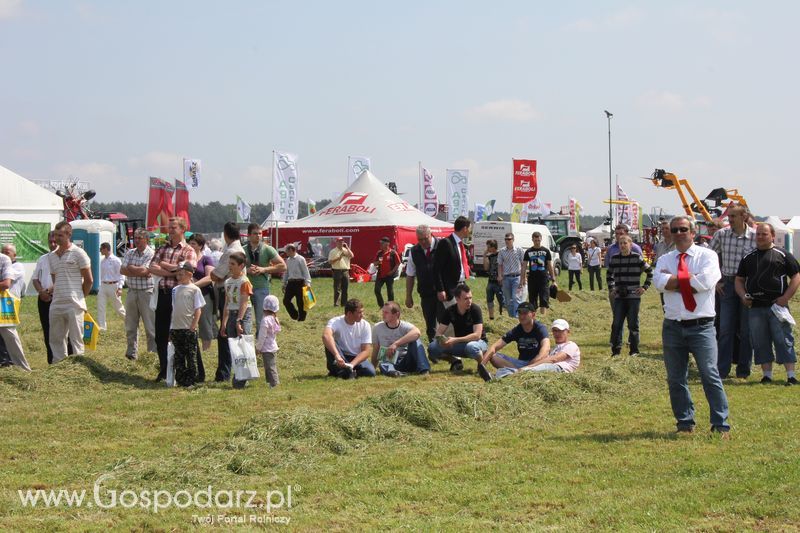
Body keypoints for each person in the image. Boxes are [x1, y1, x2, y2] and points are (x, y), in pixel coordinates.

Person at [654, 215, 730, 436]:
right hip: (673, 326)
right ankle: (684, 422)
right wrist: (688, 280)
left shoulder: (708, 255)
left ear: (693, 232)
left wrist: (673, 282)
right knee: (676, 377)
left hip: (702, 326)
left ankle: (720, 423)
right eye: (674, 230)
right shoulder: (665, 258)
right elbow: (658, 284)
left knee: (709, 374)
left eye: (683, 229)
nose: (678, 233)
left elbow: (705, 283)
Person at [735, 222, 800, 385]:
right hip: (755, 307)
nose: (760, 237)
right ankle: (767, 376)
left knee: (783, 339)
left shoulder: (783, 254)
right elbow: (739, 280)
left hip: (777, 306)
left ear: (772, 236)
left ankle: (791, 376)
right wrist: (743, 296)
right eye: (758, 234)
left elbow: (796, 276)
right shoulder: (747, 257)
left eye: (764, 234)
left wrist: (786, 297)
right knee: (760, 341)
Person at [709, 205, 756, 379]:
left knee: (746, 330)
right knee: (725, 329)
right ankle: (722, 370)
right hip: (728, 284)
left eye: (734, 216)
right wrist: (716, 281)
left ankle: (743, 370)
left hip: (747, 285)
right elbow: (707, 258)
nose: (730, 219)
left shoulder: (754, 237)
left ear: (744, 216)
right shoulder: (721, 235)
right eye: (729, 216)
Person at [148, 216, 197, 381]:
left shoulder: (188, 250)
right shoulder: (162, 248)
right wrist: (173, 271)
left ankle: (181, 369)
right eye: (169, 228)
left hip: (180, 297)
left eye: (173, 228)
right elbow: (151, 267)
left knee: (179, 334)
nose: (170, 230)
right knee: (161, 335)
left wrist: (165, 266)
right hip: (163, 295)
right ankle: (164, 370)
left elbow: (187, 270)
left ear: (182, 229)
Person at [49, 220, 93, 363]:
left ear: (69, 234)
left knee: (76, 338)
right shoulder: (52, 256)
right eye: (55, 235)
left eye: (60, 235)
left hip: (74, 303)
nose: (56, 239)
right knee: (56, 338)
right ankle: (58, 366)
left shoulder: (79, 253)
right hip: (57, 302)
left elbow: (89, 280)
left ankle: (80, 367)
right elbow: (55, 279)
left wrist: (81, 296)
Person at [606, 235, 653, 357]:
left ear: (630, 244)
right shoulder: (614, 259)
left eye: (625, 243)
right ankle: (616, 351)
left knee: (633, 324)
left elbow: (650, 272)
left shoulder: (637, 258)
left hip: (633, 297)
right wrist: (612, 288)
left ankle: (634, 350)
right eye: (620, 243)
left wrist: (644, 287)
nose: (622, 245)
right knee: (616, 324)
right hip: (619, 297)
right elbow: (609, 275)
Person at [490, 319, 581, 379]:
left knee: (529, 370)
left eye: (561, 331)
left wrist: (531, 366)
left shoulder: (571, 345)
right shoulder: (555, 348)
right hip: (549, 368)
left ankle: (499, 377)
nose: (557, 333)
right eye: (555, 330)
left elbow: (554, 359)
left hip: (559, 369)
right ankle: (500, 376)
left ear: (568, 332)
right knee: (527, 370)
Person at [209, 221, 244, 382]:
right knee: (233, 332)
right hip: (237, 292)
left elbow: (216, 275)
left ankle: (224, 372)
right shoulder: (240, 248)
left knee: (225, 333)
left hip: (228, 292)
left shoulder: (230, 251)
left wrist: (214, 275)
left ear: (225, 234)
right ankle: (236, 370)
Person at [479, 302, 549, 379]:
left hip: (537, 364)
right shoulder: (517, 330)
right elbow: (495, 347)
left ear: (533, 315)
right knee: (493, 356)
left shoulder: (540, 328)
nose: (522, 316)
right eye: (519, 313)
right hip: (520, 363)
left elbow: (545, 351)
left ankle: (513, 374)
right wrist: (482, 365)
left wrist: (530, 366)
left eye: (525, 313)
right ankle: (517, 373)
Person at [427, 283, 488, 373]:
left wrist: (455, 340)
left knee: (471, 347)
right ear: (457, 299)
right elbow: (438, 333)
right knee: (432, 348)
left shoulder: (475, 310)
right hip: (460, 344)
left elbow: (477, 335)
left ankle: (481, 365)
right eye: (466, 299)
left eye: (470, 298)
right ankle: (455, 361)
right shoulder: (450, 311)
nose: (469, 301)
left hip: (478, 343)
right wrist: (443, 341)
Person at [31, 231, 71, 364]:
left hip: (59, 297)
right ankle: (52, 361)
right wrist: (41, 292)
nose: (53, 244)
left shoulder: (65, 257)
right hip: (43, 299)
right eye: (50, 242)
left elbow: (62, 279)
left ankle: (70, 360)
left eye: (55, 241)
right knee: (48, 331)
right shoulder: (42, 259)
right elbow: (35, 279)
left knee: (66, 331)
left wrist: (48, 291)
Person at [120, 229, 156, 361]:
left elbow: (145, 271)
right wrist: (138, 270)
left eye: (140, 238)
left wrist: (131, 268)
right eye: (135, 238)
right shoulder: (130, 252)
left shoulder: (152, 254)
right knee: (130, 325)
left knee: (150, 326)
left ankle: (151, 354)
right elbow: (122, 270)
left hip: (147, 292)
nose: (137, 240)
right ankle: (131, 353)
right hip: (131, 292)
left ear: (146, 239)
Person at [220, 252, 253, 389]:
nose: (230, 266)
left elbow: (244, 303)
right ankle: (240, 375)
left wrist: (239, 321)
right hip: (232, 314)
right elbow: (227, 303)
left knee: (242, 344)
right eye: (229, 263)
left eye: (233, 264)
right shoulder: (227, 282)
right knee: (234, 347)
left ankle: (242, 378)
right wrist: (224, 323)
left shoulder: (244, 282)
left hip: (242, 315)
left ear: (241, 266)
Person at [371, 301, 430, 377]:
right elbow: (376, 349)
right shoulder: (377, 327)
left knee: (416, 340)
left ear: (396, 314)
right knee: (383, 363)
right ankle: (394, 373)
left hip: (406, 359)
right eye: (383, 312)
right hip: (390, 361)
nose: (383, 314)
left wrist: (396, 344)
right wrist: (372, 368)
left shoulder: (405, 326)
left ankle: (424, 370)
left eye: (386, 312)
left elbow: (417, 332)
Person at [169, 261, 204, 387]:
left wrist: (193, 326)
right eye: (177, 275)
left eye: (181, 274)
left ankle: (192, 378)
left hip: (188, 327)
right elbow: (174, 309)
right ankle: (180, 378)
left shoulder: (195, 290)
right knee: (178, 355)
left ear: (190, 274)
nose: (179, 277)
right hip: (176, 327)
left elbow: (198, 309)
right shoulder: (175, 290)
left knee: (191, 355)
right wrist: (171, 328)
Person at [405, 224, 442, 342]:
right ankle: (433, 348)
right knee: (430, 323)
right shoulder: (414, 251)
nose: (423, 242)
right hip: (426, 293)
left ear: (431, 235)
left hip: (443, 292)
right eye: (420, 240)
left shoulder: (442, 246)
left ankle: (448, 348)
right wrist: (408, 296)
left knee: (445, 322)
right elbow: (410, 274)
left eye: (425, 239)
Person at [243, 223, 285, 326]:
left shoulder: (267, 249)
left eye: (260, 233)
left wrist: (263, 269)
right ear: (248, 235)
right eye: (255, 233)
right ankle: (245, 341)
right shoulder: (242, 250)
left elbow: (283, 266)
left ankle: (261, 341)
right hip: (244, 287)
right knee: (244, 319)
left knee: (261, 320)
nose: (258, 236)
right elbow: (233, 268)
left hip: (261, 288)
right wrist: (246, 270)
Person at [323, 298, 376, 379]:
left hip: (356, 357)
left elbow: (366, 351)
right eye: (359, 312)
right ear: (349, 313)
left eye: (362, 312)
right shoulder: (336, 321)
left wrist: (352, 364)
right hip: (341, 355)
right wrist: (337, 356)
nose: (362, 315)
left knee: (371, 372)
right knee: (329, 341)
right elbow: (326, 335)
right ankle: (345, 371)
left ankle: (345, 372)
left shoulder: (365, 325)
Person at [0, 250, 31, 371]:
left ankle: (24, 369)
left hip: (2, 304)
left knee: (10, 336)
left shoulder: (3, 259)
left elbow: (6, 283)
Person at [187, 233, 217, 353]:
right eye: (189, 243)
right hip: (188, 297)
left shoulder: (206, 259)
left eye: (193, 243)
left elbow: (210, 277)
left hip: (204, 295)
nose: (190, 245)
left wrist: (193, 286)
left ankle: (206, 351)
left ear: (200, 246)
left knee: (205, 323)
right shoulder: (186, 259)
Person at [433, 216, 472, 308]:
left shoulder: (461, 244)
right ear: (465, 229)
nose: (470, 231)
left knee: (463, 316)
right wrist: (440, 289)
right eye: (470, 228)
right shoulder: (446, 243)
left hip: (461, 286)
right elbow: (436, 268)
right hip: (450, 289)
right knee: (454, 318)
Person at [522, 232, 557, 314]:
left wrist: (553, 279)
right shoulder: (528, 251)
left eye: (538, 240)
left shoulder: (546, 251)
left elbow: (549, 265)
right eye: (535, 240)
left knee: (544, 299)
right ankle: (533, 318)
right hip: (532, 278)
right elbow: (524, 266)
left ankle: (543, 317)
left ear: (541, 239)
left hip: (543, 278)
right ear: (532, 240)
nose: (537, 242)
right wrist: (523, 278)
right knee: (532, 300)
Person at [96, 242, 126, 330]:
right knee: (100, 306)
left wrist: (120, 287)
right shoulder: (102, 260)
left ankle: (128, 321)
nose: (100, 251)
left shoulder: (116, 260)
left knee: (118, 308)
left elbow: (121, 274)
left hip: (114, 285)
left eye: (101, 249)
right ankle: (102, 327)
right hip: (103, 285)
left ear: (105, 249)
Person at [256, 295, 281, 388]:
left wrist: (258, 347)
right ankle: (270, 382)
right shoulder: (274, 318)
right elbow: (278, 330)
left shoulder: (265, 320)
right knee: (269, 366)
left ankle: (274, 383)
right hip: (273, 346)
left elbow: (262, 336)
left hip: (267, 348)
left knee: (270, 367)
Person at [497, 232, 525, 317]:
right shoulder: (502, 251)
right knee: (508, 300)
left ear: (513, 240)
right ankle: (511, 317)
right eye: (506, 239)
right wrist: (500, 276)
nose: (507, 241)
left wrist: (523, 278)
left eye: (509, 239)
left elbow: (523, 265)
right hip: (506, 278)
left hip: (517, 277)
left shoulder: (519, 250)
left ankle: (516, 317)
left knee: (516, 298)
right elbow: (500, 264)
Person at [282, 244, 311, 321]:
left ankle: (302, 318)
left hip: (300, 282)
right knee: (286, 301)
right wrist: (284, 283)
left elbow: (305, 271)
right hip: (291, 283)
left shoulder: (301, 259)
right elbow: (286, 272)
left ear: (291, 250)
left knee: (300, 302)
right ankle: (294, 315)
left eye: (286, 251)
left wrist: (308, 283)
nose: (286, 253)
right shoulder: (288, 260)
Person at [373, 237, 401, 308]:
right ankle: (381, 306)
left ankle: (391, 306)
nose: (380, 245)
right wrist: (378, 262)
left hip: (389, 275)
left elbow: (398, 263)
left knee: (390, 291)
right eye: (380, 243)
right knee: (377, 290)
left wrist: (392, 272)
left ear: (387, 244)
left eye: (382, 243)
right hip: (380, 275)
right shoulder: (379, 253)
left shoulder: (393, 252)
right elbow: (374, 263)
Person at [329, 237, 354, 306]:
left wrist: (347, 247)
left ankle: (344, 303)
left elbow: (352, 256)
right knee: (337, 288)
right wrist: (338, 258)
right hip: (337, 271)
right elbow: (330, 262)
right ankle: (336, 303)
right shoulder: (333, 251)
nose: (341, 243)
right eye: (339, 241)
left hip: (345, 271)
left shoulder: (346, 250)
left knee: (345, 288)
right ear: (336, 242)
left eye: (342, 241)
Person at [483, 239, 504, 319]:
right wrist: (484, 256)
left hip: (499, 282)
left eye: (488, 247)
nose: (487, 249)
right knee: (489, 299)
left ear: (493, 247)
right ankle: (491, 316)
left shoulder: (501, 254)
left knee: (501, 300)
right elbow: (486, 268)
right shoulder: (490, 256)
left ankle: (502, 314)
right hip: (490, 281)